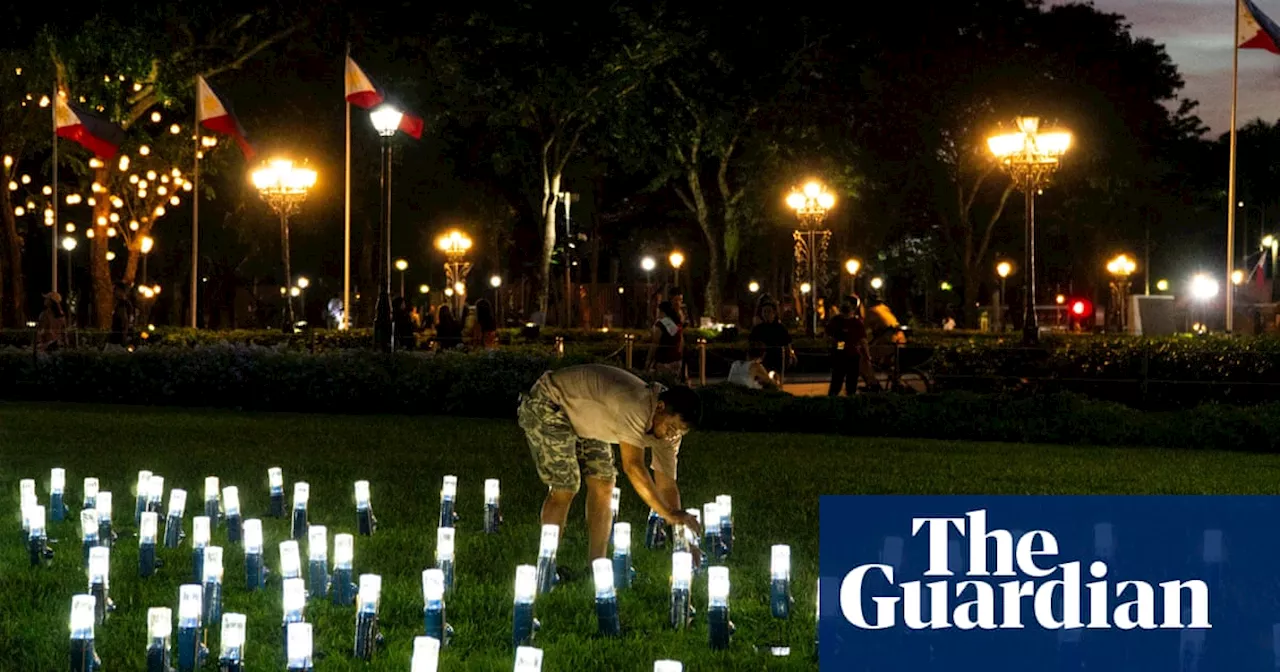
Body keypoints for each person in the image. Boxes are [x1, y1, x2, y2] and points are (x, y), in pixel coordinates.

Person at [517, 363, 703, 565]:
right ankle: (546, 569)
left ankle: (596, 565)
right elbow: (633, 466)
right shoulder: (636, 404)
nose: (672, 435)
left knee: (604, 482)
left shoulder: (669, 436)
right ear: (660, 407)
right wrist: (667, 513)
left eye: (679, 432)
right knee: (566, 485)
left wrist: (683, 539)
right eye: (671, 427)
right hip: (550, 403)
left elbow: (667, 485)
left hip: (587, 420)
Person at [826, 295, 880, 395]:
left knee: (839, 381)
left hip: (844, 355)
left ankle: (834, 400)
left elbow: (830, 338)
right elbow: (863, 341)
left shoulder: (837, 321)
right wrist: (867, 355)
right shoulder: (855, 322)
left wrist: (840, 346)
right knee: (847, 382)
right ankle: (848, 401)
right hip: (851, 355)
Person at [748, 295, 795, 378]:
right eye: (764, 312)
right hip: (761, 359)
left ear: (774, 313)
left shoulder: (780, 328)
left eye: (769, 311)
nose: (766, 314)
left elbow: (787, 344)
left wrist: (790, 356)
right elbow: (751, 344)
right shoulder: (757, 329)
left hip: (777, 359)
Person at [645, 301, 685, 379]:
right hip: (677, 360)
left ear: (661, 311)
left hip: (663, 361)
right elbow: (682, 342)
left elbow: (655, 344)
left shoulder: (661, 325)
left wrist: (648, 361)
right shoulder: (677, 323)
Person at [108, 283, 135, 347]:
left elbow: (124, 321)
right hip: (123, 334)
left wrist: (124, 337)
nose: (114, 292)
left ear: (121, 291)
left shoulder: (122, 304)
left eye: (115, 289)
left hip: (118, 337)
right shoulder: (127, 303)